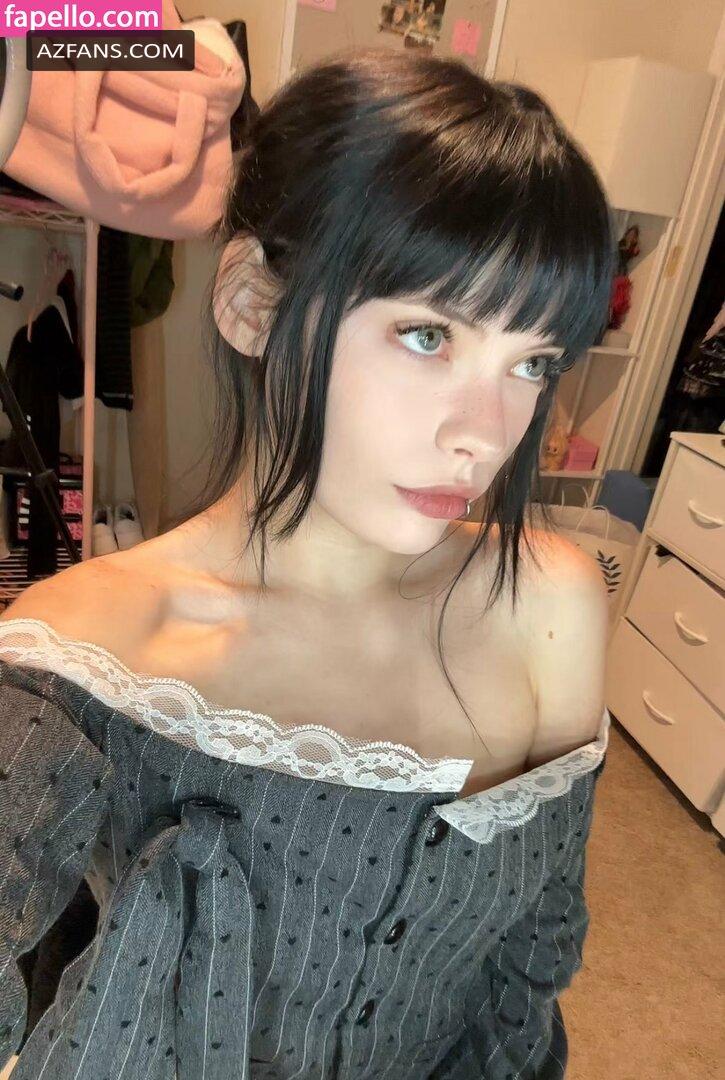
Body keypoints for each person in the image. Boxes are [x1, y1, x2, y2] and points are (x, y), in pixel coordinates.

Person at [0, 48, 613, 1079]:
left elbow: (532, 952)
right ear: (252, 303)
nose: (484, 433)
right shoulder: (75, 654)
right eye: (428, 335)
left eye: (531, 362)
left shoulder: (546, 602)